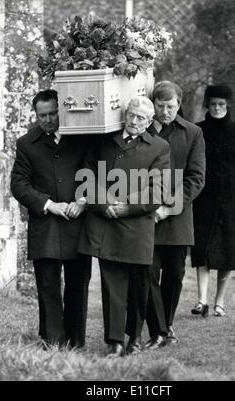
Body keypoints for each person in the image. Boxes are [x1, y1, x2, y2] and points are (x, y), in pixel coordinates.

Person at [77, 97, 171, 357]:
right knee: (112, 285)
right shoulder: (104, 141)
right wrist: (104, 203)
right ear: (124, 114)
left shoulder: (160, 147)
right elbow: (86, 175)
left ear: (150, 122)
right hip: (107, 223)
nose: (134, 121)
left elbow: (158, 190)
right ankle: (115, 340)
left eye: (141, 118)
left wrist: (128, 206)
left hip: (138, 226)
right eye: (131, 115)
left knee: (140, 287)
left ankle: (135, 338)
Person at [11, 89, 92, 348]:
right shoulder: (26, 143)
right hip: (45, 223)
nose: (47, 119)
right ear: (36, 115)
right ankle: (52, 341)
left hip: (77, 221)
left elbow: (93, 169)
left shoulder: (82, 137)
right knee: (48, 285)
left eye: (52, 113)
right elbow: (19, 184)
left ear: (62, 110)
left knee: (78, 284)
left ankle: (76, 341)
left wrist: (82, 201)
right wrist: (48, 205)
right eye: (41, 115)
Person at [136, 81, 206, 349]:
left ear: (179, 105)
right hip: (145, 216)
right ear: (153, 104)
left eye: (171, 106)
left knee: (174, 275)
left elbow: (196, 178)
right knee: (148, 274)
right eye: (161, 106)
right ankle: (159, 332)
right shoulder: (142, 130)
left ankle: (166, 324)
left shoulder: (193, 133)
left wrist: (168, 208)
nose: (165, 112)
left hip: (177, 217)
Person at [191, 85, 235, 317]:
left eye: (221, 104)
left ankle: (219, 302)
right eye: (213, 104)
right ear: (207, 104)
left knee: (228, 252)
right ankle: (202, 300)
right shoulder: (198, 130)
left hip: (232, 200)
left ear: (227, 105)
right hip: (203, 200)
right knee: (202, 249)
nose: (217, 108)